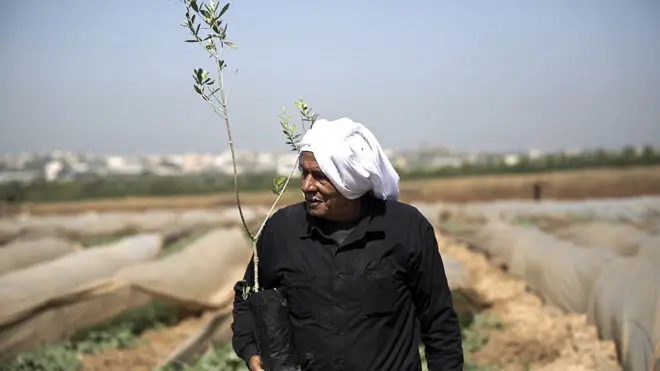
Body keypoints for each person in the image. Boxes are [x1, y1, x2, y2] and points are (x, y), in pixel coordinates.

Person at [231, 117, 464, 371]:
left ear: (349, 179)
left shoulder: (406, 229)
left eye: (320, 176)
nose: (307, 186)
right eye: (304, 172)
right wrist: (251, 351)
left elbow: (439, 323)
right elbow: (247, 298)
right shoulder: (281, 231)